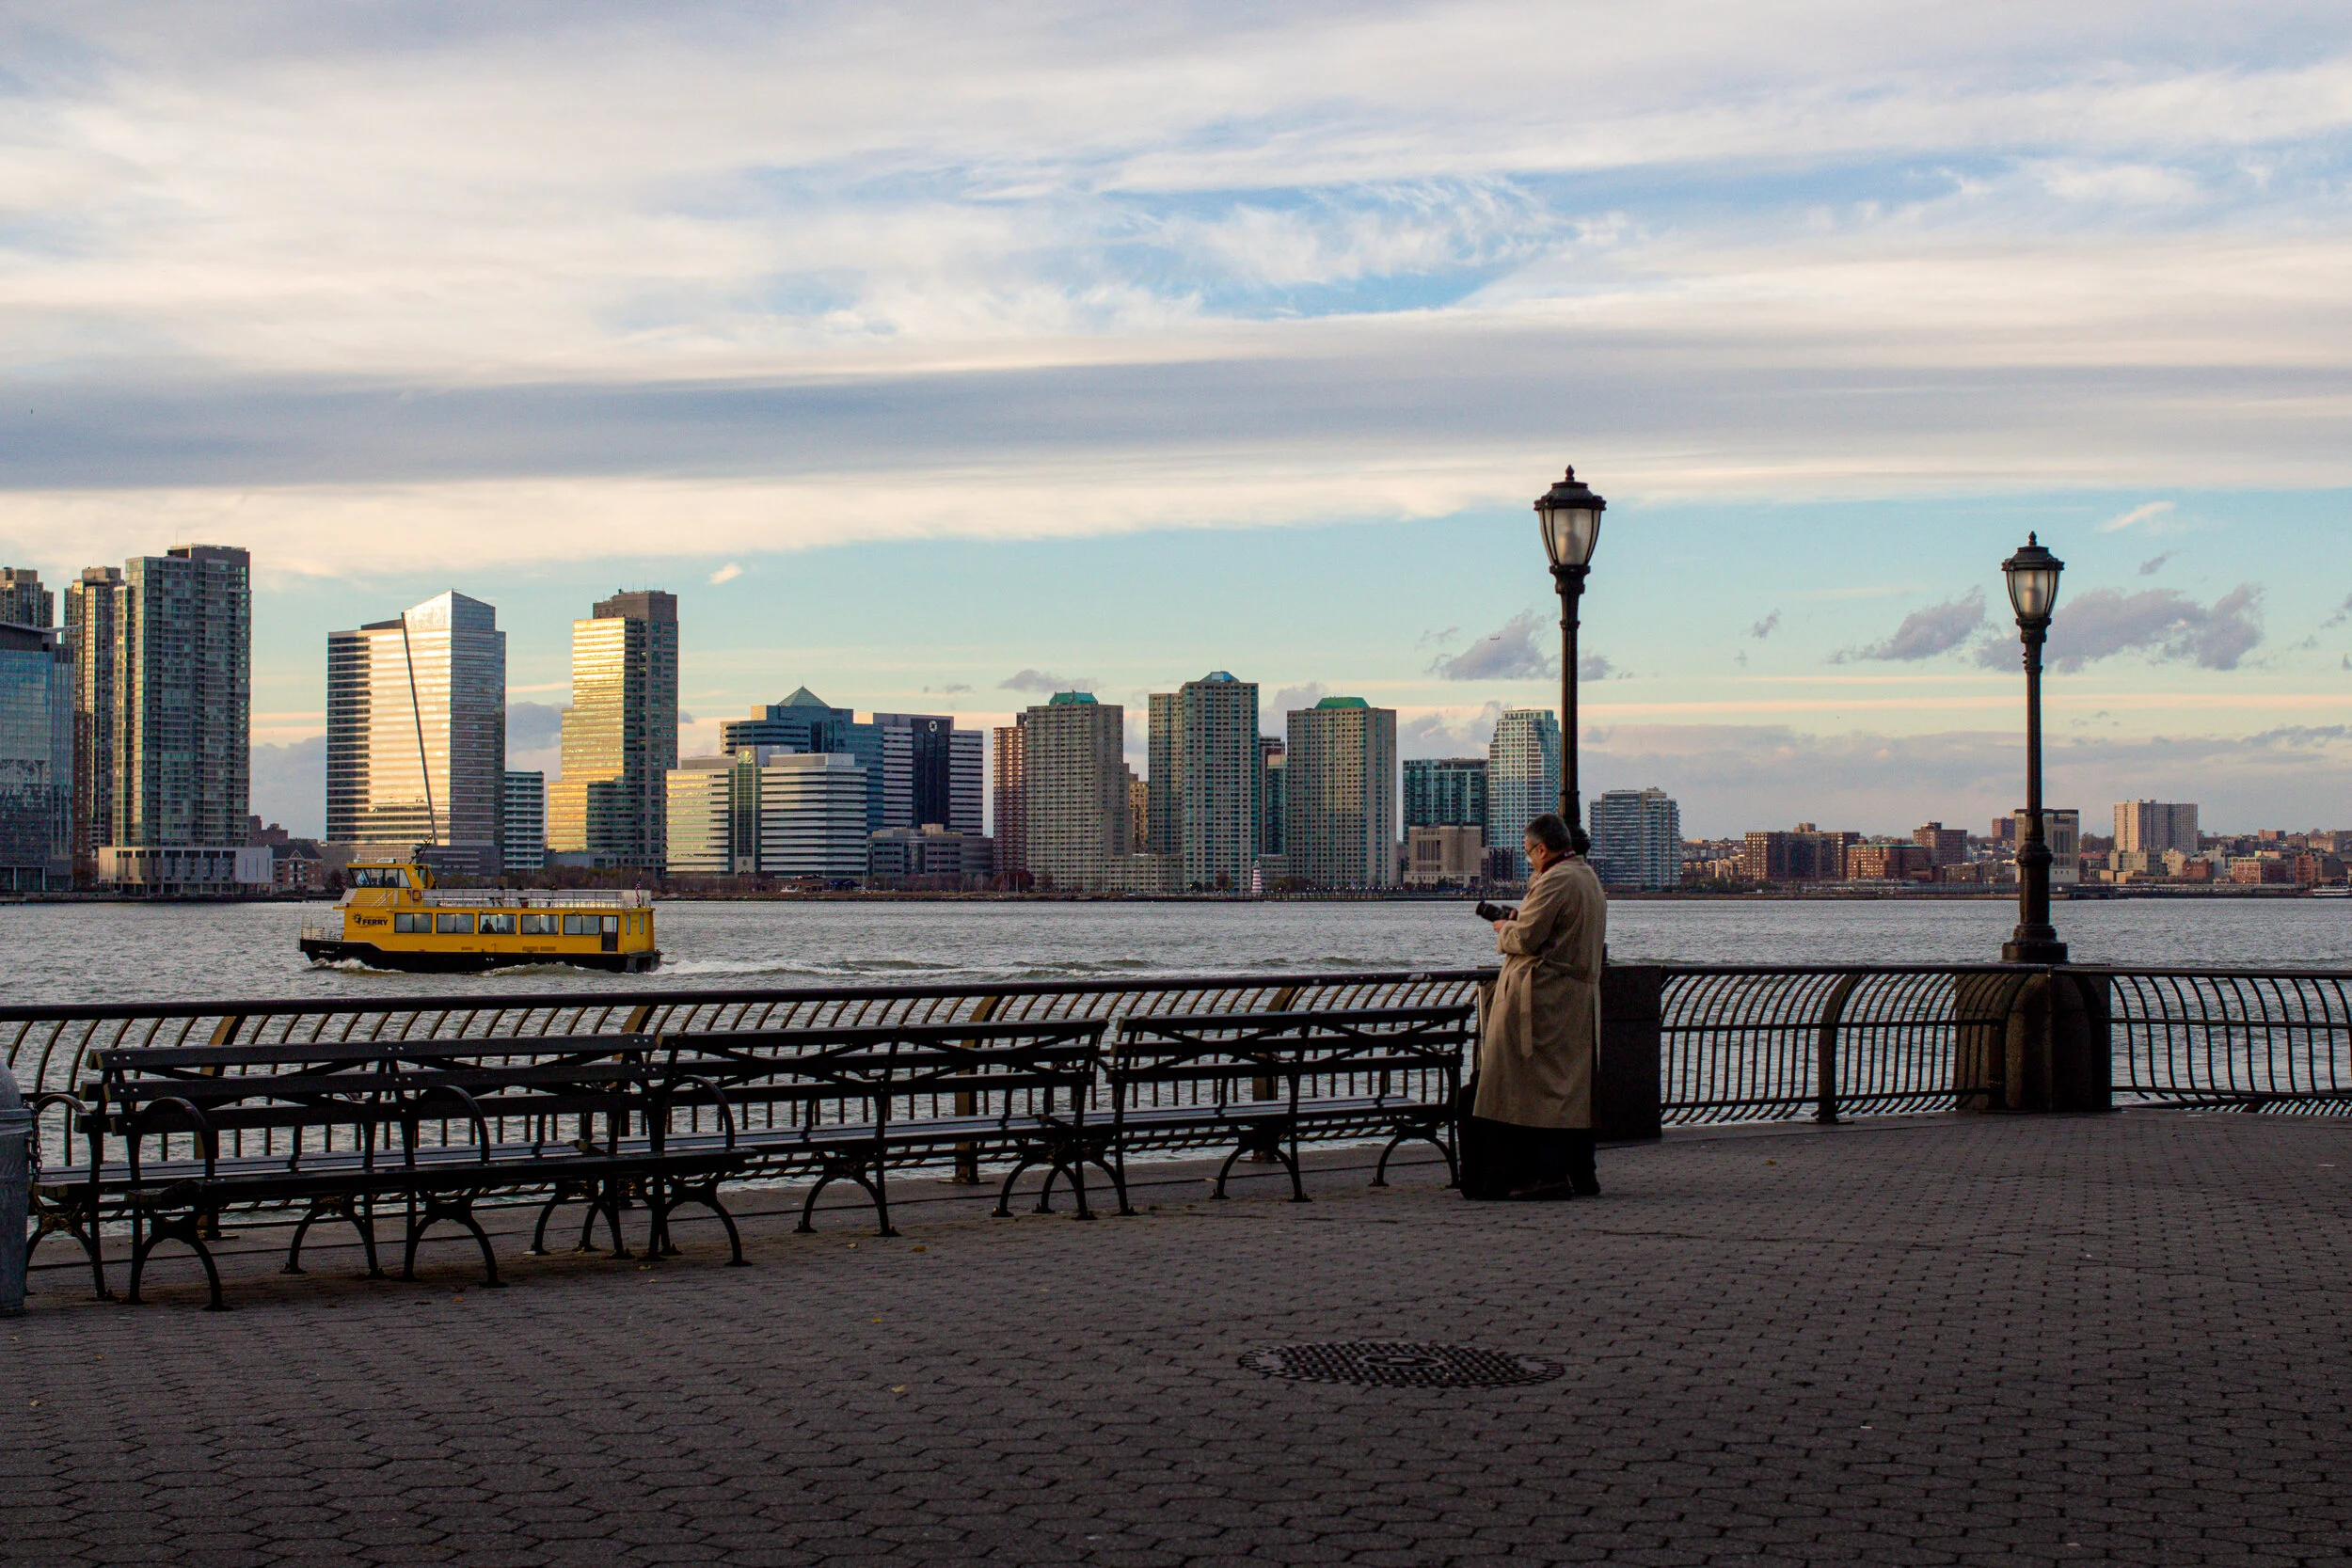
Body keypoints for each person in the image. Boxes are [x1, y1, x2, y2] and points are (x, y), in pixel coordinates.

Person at [1474, 812, 1606, 1200]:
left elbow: (1528, 938)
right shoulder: (1585, 876)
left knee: (1536, 1091)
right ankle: (1579, 1173)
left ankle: (1545, 1175)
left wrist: (1505, 929)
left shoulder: (1556, 880)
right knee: (1569, 1091)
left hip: (1546, 999)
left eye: (1529, 852)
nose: (1529, 859)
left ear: (1542, 848)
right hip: (1575, 997)